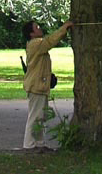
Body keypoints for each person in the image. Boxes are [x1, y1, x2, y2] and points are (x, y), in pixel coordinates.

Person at [21, 18, 73, 150]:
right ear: (31, 34)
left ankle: (39, 143)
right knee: (35, 116)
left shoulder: (37, 44)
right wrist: (64, 28)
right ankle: (29, 144)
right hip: (36, 86)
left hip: (40, 85)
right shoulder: (35, 44)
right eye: (36, 27)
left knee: (41, 116)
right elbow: (50, 41)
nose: (40, 29)